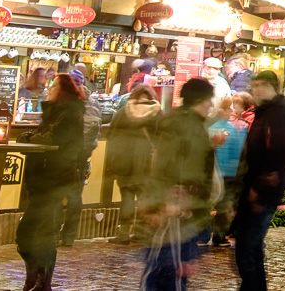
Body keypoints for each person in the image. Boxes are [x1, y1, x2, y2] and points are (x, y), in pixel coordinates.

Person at [142, 77, 217, 291]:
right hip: (175, 207)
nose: (211, 105)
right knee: (167, 270)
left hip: (186, 207)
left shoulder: (193, 124)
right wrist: (160, 203)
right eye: (208, 100)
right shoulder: (181, 124)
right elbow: (165, 164)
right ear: (199, 100)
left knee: (176, 269)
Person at [16, 73, 86, 291]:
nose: (48, 87)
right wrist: (29, 137)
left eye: (53, 84)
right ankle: (38, 280)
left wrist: (28, 138)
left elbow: (51, 139)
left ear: (62, 90)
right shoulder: (54, 113)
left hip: (55, 179)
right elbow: (40, 136)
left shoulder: (71, 114)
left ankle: (40, 279)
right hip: (43, 178)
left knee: (28, 232)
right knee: (43, 232)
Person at [235, 70, 285, 291]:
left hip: (263, 193)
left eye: (262, 85)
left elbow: (278, 153)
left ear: (273, 87)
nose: (257, 89)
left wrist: (258, 188)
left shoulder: (276, 115)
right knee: (250, 249)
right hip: (255, 189)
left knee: (246, 250)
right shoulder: (265, 112)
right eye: (255, 84)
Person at [105, 85, 162, 244]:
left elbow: (111, 136)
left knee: (127, 196)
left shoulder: (123, 112)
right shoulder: (157, 113)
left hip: (124, 160)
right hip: (147, 162)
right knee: (145, 197)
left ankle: (123, 233)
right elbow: (164, 137)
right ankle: (142, 232)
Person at [57, 65, 102, 247]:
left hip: (64, 154)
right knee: (75, 196)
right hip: (82, 156)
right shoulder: (92, 103)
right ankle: (69, 236)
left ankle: (54, 233)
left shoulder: (67, 104)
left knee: (58, 194)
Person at [207, 94, 249, 246]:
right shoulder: (232, 129)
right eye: (228, 109)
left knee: (207, 204)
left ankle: (202, 236)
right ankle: (219, 236)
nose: (231, 112)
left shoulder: (209, 127)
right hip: (228, 174)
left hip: (211, 172)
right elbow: (237, 154)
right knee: (223, 205)